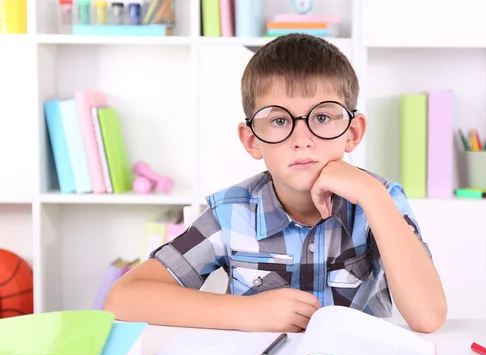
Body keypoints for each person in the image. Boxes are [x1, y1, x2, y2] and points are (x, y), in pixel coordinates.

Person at [104, 33, 447, 334]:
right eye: (280, 120)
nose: (302, 139)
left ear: (352, 132)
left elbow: (427, 317)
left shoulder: (380, 200)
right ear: (252, 140)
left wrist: (372, 194)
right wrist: (246, 312)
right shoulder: (230, 212)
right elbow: (124, 298)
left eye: (323, 117)